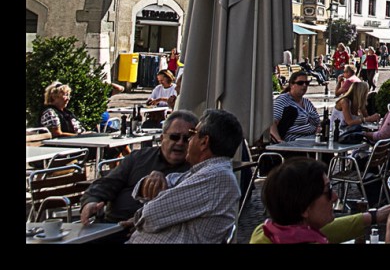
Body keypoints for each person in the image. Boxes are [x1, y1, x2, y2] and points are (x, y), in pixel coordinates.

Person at [126, 108, 244, 243]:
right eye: (175, 137)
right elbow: (166, 183)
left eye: (192, 134)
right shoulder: (205, 171)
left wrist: (140, 217)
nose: (187, 141)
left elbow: (149, 216)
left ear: (204, 142)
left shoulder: (217, 176)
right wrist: (152, 180)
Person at [80, 110, 198, 239]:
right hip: (111, 228)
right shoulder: (139, 157)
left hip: (156, 235)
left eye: (187, 139)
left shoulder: (196, 170)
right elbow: (107, 183)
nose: (180, 143)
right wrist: (91, 201)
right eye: (174, 137)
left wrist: (143, 222)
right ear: (162, 138)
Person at [251, 157, 390, 243]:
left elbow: (328, 230)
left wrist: (374, 216)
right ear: (304, 208)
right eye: (328, 191)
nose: (335, 196)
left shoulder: (265, 232)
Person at [269, 71, 321, 143]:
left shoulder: (307, 102)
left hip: (312, 141)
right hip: (292, 143)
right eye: (300, 83)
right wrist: (278, 140)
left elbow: (318, 122)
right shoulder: (283, 100)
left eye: (306, 83)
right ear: (291, 85)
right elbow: (272, 123)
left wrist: (318, 129)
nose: (304, 85)